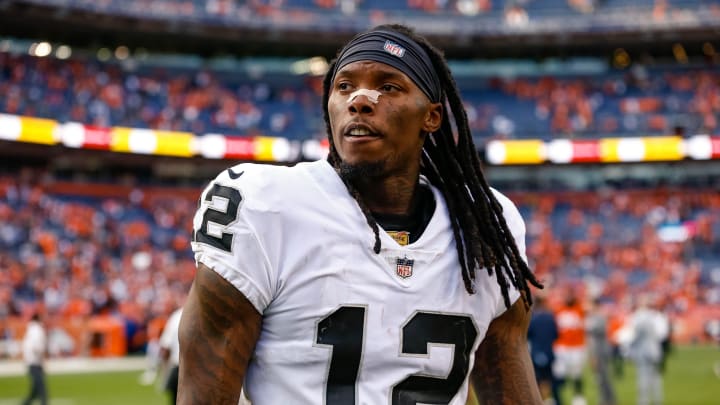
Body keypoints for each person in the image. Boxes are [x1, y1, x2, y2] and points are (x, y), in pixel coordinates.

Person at [179, 23, 544, 405]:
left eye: (388, 87)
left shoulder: (483, 227)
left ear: (431, 117)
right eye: (345, 87)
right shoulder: (264, 206)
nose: (360, 100)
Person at [627, 294, 669, 405]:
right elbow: (662, 334)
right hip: (652, 350)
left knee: (646, 377)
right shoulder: (655, 316)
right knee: (652, 378)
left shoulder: (641, 316)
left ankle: (647, 401)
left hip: (645, 350)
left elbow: (632, 335)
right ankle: (653, 401)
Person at [553, 290, 587, 405]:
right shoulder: (559, 310)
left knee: (576, 373)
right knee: (558, 374)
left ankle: (578, 397)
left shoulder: (580, 309)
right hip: (561, 347)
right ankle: (556, 397)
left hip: (576, 346)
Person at [527, 294, 560, 405]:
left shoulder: (533, 318)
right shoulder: (550, 317)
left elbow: (528, 335)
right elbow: (556, 335)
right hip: (549, 352)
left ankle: (541, 401)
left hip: (536, 353)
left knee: (538, 381)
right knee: (550, 380)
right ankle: (554, 400)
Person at [585, 297, 617, 405]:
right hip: (595, 350)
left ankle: (607, 399)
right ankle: (607, 398)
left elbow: (598, 332)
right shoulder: (592, 317)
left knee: (603, 377)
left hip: (600, 351)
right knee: (600, 377)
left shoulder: (599, 317)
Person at [21, 313, 48, 405]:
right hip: (35, 360)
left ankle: (26, 402)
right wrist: (41, 357)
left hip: (31, 360)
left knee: (36, 386)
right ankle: (44, 402)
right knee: (40, 385)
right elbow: (36, 346)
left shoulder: (31, 329)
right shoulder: (37, 330)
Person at [159, 306, 183, 405]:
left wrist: (164, 372)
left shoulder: (176, 316)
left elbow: (165, 347)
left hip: (179, 368)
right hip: (202, 370)